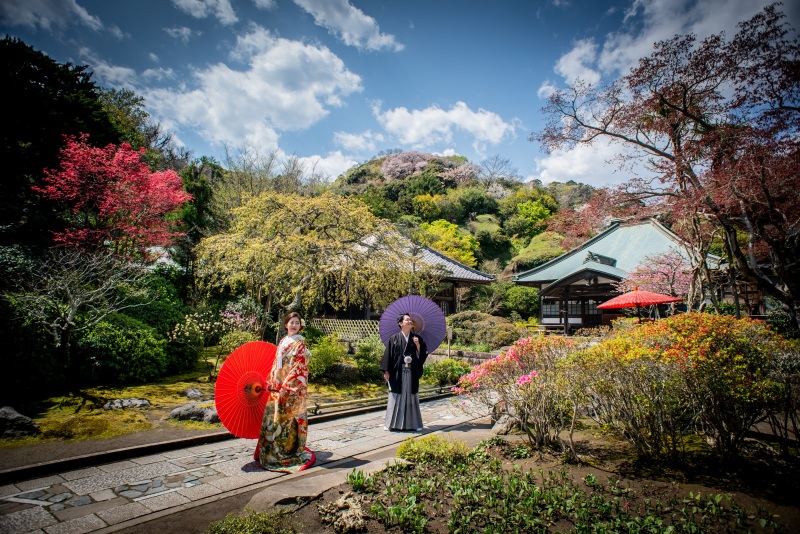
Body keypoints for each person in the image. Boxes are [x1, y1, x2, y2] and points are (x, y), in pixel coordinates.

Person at [254, 312, 314, 472]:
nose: (294, 325)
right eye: (291, 322)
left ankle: (288, 451)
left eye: (297, 322)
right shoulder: (283, 341)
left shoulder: (300, 344)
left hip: (290, 388)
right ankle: (272, 450)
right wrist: (272, 381)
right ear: (286, 324)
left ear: (300, 326)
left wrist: (287, 387)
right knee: (273, 419)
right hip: (278, 384)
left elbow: (299, 367)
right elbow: (276, 363)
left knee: (287, 420)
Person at [381, 313, 428, 431]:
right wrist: (386, 371)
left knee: (411, 396)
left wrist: (418, 345)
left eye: (410, 320)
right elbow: (388, 356)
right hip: (397, 372)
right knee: (396, 396)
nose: (410, 321)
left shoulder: (417, 339)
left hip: (411, 373)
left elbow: (422, 356)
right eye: (407, 320)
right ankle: (391, 424)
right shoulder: (394, 339)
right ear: (401, 323)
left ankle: (414, 424)